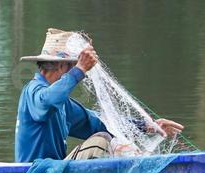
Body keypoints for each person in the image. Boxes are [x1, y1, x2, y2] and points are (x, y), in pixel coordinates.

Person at [16, 28, 184, 163]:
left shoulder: (64, 104)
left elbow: (100, 124)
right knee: (100, 141)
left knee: (106, 136)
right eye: (72, 66)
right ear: (61, 66)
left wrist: (147, 126)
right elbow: (47, 102)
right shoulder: (32, 91)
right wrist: (79, 70)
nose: (78, 73)